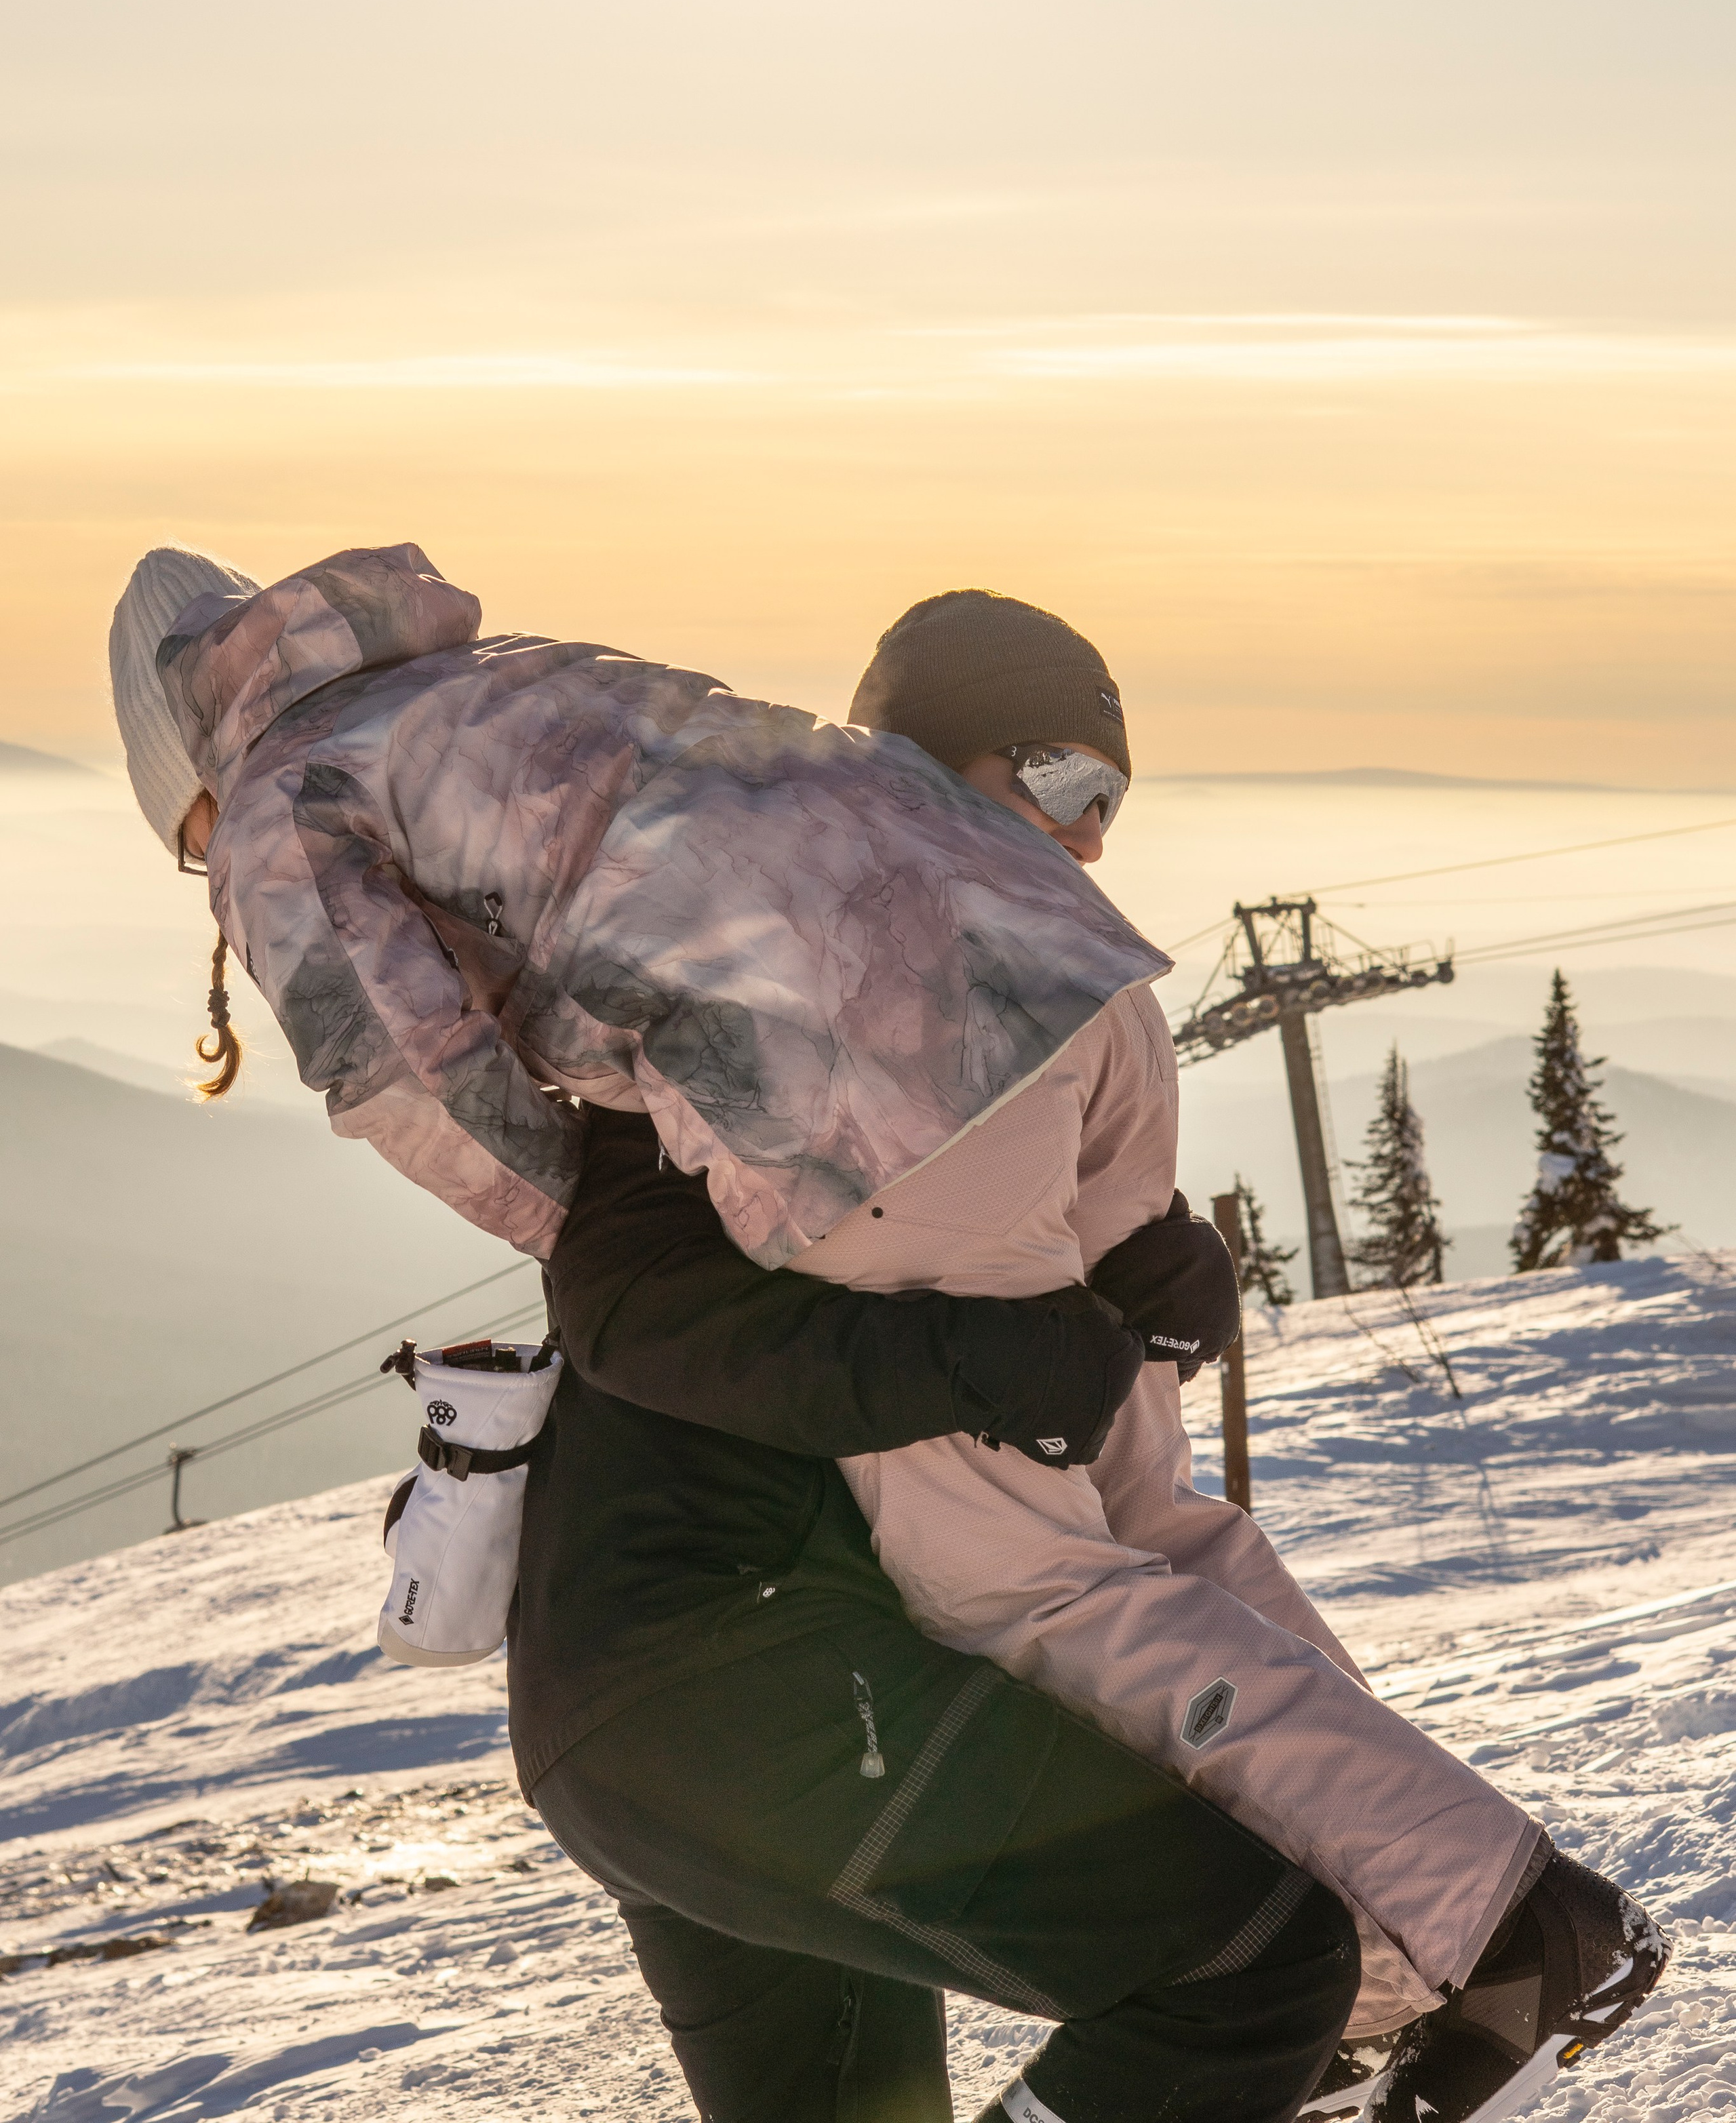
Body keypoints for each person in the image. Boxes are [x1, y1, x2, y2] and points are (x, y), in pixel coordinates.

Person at [106, 543, 1665, 2123]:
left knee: (1026, 1575)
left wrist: (609, 1208)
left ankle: (1501, 1922)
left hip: (890, 1066)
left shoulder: (282, 793)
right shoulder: (501, 678)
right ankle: (1394, 1963)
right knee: (1154, 1537)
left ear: (183, 771)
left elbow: (414, 1081)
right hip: (1077, 982)